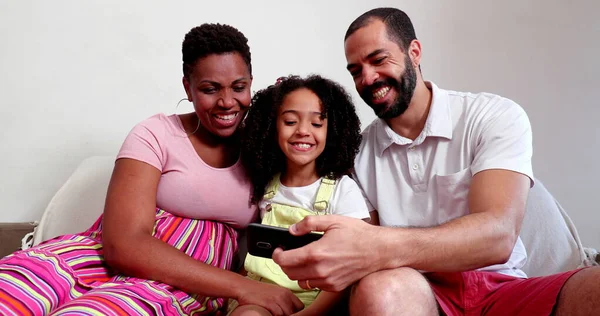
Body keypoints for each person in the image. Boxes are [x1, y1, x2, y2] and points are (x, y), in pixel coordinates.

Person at [272, 7, 600, 316]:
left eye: (378, 60)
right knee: (380, 290)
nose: (368, 78)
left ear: (414, 52)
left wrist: (377, 246)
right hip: (418, 292)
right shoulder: (356, 152)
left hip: (504, 287)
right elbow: (358, 245)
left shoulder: (492, 116)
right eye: (355, 71)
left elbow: (498, 236)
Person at [0, 23, 303, 316]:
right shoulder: (154, 134)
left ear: (251, 82)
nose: (226, 102)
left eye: (239, 87)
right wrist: (241, 287)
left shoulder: (267, 144)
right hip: (88, 260)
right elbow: (124, 244)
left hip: (179, 289)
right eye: (210, 89)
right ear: (188, 86)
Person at [229, 75, 372, 316]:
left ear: (333, 130)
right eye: (290, 121)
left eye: (317, 124)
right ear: (272, 127)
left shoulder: (342, 190)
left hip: (314, 301)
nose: (303, 131)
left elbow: (349, 269)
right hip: (260, 296)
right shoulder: (267, 187)